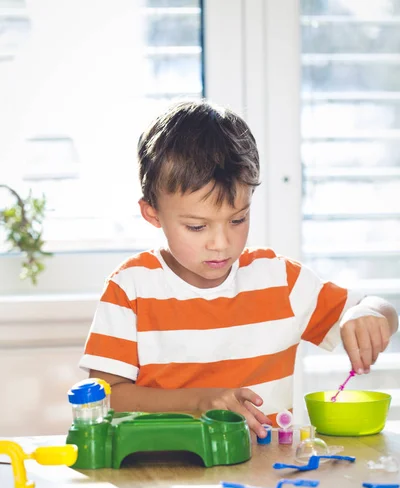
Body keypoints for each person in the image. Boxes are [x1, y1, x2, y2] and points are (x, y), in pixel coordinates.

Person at [79, 100, 398, 439]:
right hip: (165, 470)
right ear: (152, 213)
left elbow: (381, 310)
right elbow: (107, 397)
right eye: (196, 227)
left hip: (266, 477)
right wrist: (200, 400)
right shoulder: (131, 289)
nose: (221, 243)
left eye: (237, 220)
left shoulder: (280, 282)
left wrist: (368, 314)